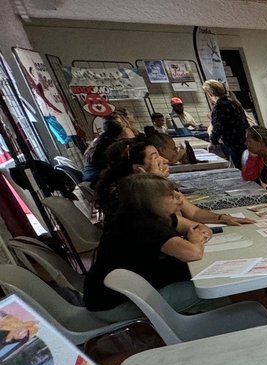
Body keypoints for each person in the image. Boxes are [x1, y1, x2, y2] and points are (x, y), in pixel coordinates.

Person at [84, 173, 231, 322]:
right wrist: (194, 239)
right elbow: (193, 253)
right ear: (150, 201)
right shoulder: (142, 225)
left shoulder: (154, 216)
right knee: (214, 294)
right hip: (115, 305)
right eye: (170, 195)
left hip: (129, 292)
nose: (179, 197)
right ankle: (211, 334)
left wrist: (196, 237)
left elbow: (200, 227)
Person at [92, 138, 254, 226]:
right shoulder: (128, 197)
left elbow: (194, 213)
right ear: (138, 168)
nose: (165, 160)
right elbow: (174, 223)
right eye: (155, 158)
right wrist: (155, 181)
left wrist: (223, 218)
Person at [203, 80, 250, 170]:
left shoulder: (219, 106)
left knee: (240, 167)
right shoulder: (233, 102)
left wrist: (213, 142)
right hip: (245, 138)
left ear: (210, 93)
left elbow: (218, 126)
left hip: (234, 141)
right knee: (246, 163)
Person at [82, 116, 134, 183]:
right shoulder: (113, 146)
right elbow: (121, 167)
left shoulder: (98, 141)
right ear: (121, 134)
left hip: (88, 181)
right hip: (98, 183)